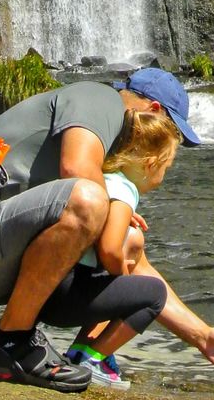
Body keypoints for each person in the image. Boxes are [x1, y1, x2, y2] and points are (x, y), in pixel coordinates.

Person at [0, 68, 214, 390]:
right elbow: (75, 170)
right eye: (172, 130)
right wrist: (113, 216)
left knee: (124, 237)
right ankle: (11, 343)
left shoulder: (107, 159)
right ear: (153, 111)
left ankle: (16, 339)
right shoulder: (100, 99)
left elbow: (135, 263)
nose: (167, 142)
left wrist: (201, 335)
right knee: (88, 199)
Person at [33, 108, 182, 389]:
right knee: (153, 294)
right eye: (166, 167)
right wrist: (124, 281)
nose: (164, 175)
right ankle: (94, 358)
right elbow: (111, 248)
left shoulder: (104, 178)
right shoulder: (125, 190)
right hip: (68, 296)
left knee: (120, 281)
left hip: (46, 292)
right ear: (151, 164)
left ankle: (79, 352)